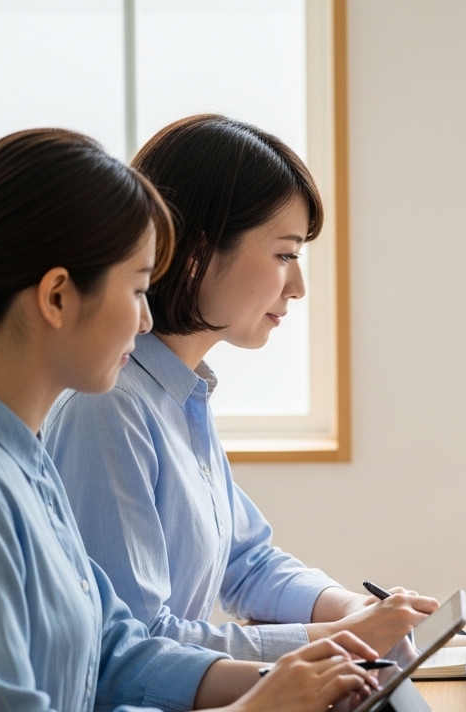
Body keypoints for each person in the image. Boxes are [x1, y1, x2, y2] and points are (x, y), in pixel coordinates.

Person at [0, 127, 382, 712]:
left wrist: (299, 679)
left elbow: (116, 647)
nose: (148, 318)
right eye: (135, 289)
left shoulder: (23, 458)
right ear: (57, 296)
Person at [42, 115, 436, 663]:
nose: (297, 287)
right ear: (199, 250)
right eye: (285, 254)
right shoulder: (108, 407)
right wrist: (338, 641)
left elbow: (245, 561)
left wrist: (355, 612)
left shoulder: (182, 397)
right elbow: (133, 643)